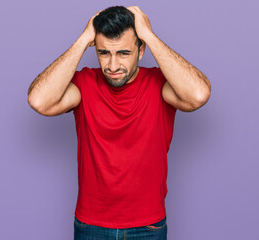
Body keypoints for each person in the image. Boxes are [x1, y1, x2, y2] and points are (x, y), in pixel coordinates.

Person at [27, 5, 211, 240]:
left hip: (148, 227)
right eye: (104, 53)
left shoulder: (159, 84)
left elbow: (197, 95)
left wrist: (150, 36)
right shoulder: (85, 84)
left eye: (123, 53)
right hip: (91, 225)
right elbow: (39, 100)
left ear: (140, 50)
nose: (113, 66)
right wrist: (83, 39)